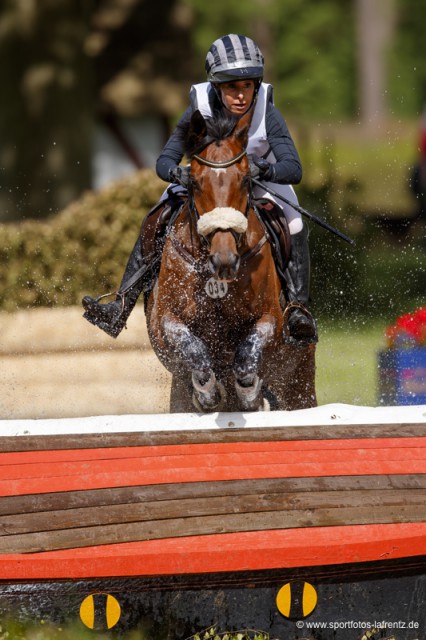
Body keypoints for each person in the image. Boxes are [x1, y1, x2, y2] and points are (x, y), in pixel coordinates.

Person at [82, 34, 317, 342]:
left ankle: (298, 308)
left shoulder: (266, 113)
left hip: (257, 184)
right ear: (217, 86)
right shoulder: (200, 108)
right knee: (156, 216)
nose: (241, 95)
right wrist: (180, 174)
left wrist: (263, 170)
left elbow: (294, 168)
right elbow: (164, 160)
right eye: (232, 86)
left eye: (247, 85)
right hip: (207, 187)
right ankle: (121, 304)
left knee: (296, 221)